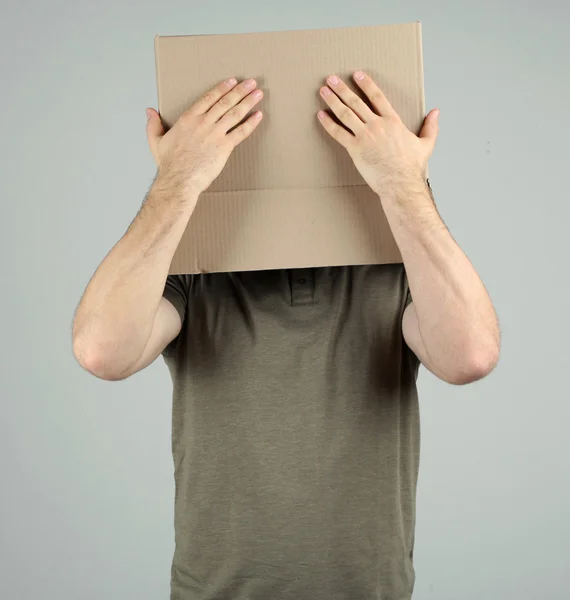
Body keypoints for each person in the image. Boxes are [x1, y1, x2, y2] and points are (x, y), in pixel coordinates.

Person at [72, 71, 500, 600]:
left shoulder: (400, 265)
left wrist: (402, 184)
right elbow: (101, 350)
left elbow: (471, 356)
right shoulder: (195, 268)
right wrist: (177, 181)